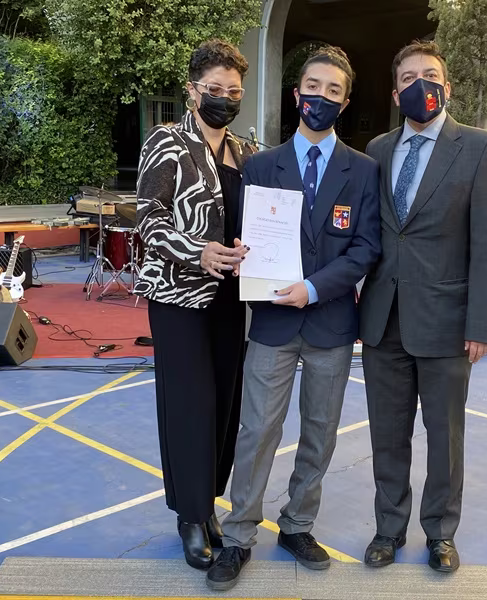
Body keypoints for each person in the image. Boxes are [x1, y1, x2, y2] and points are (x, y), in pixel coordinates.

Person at [206, 46, 381, 591]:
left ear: (344, 103)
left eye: (333, 91)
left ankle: (298, 524)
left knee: (320, 432)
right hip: (271, 322)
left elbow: (366, 248)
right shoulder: (260, 166)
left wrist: (313, 288)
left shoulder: (364, 171)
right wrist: (242, 257)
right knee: (257, 429)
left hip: (330, 322)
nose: (320, 97)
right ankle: (238, 534)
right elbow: (244, 237)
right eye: (313, 87)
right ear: (296, 93)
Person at [359, 40, 487, 572]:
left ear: (447, 86)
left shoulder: (481, 148)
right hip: (383, 319)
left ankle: (440, 533)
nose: (418, 83)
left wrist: (483, 324)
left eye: (429, 74)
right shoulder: (377, 150)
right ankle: (388, 528)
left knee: (444, 437)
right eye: (408, 77)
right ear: (395, 91)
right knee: (387, 435)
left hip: (447, 321)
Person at [134, 39, 256, 571]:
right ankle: (189, 515)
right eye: (214, 89)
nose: (224, 98)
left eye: (233, 90)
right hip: (177, 295)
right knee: (190, 403)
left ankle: (208, 504)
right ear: (192, 91)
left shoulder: (247, 153)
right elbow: (149, 217)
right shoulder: (167, 142)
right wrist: (196, 251)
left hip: (231, 295)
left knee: (225, 403)